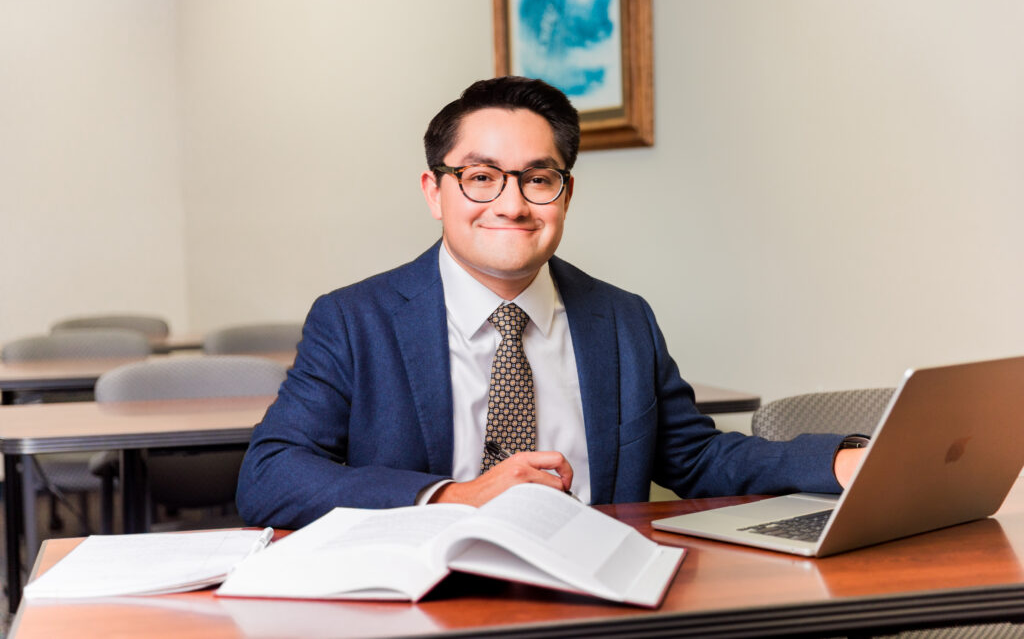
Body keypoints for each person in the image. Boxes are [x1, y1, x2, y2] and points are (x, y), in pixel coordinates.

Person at [237, 76, 864, 529]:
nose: (511, 204)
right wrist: (455, 497)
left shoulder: (621, 318)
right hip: (430, 597)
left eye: (538, 179)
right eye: (480, 177)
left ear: (565, 193)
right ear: (435, 191)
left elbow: (697, 457)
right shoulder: (355, 320)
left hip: (599, 595)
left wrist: (839, 461)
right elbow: (270, 476)